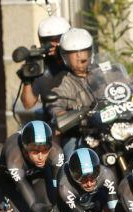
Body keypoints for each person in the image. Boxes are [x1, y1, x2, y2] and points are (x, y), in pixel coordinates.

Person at [47, 28, 95, 156]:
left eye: (84, 50)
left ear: (91, 51)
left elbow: (127, 85)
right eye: (74, 53)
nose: (80, 56)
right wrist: (62, 114)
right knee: (73, 157)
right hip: (81, 134)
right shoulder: (62, 81)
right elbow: (55, 105)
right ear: (65, 56)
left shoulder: (103, 73)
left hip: (112, 129)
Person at [19, 15, 71, 112]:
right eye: (48, 41)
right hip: (56, 118)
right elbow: (28, 104)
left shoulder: (76, 61)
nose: (53, 45)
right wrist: (27, 80)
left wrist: (63, 55)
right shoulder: (42, 68)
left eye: (57, 40)